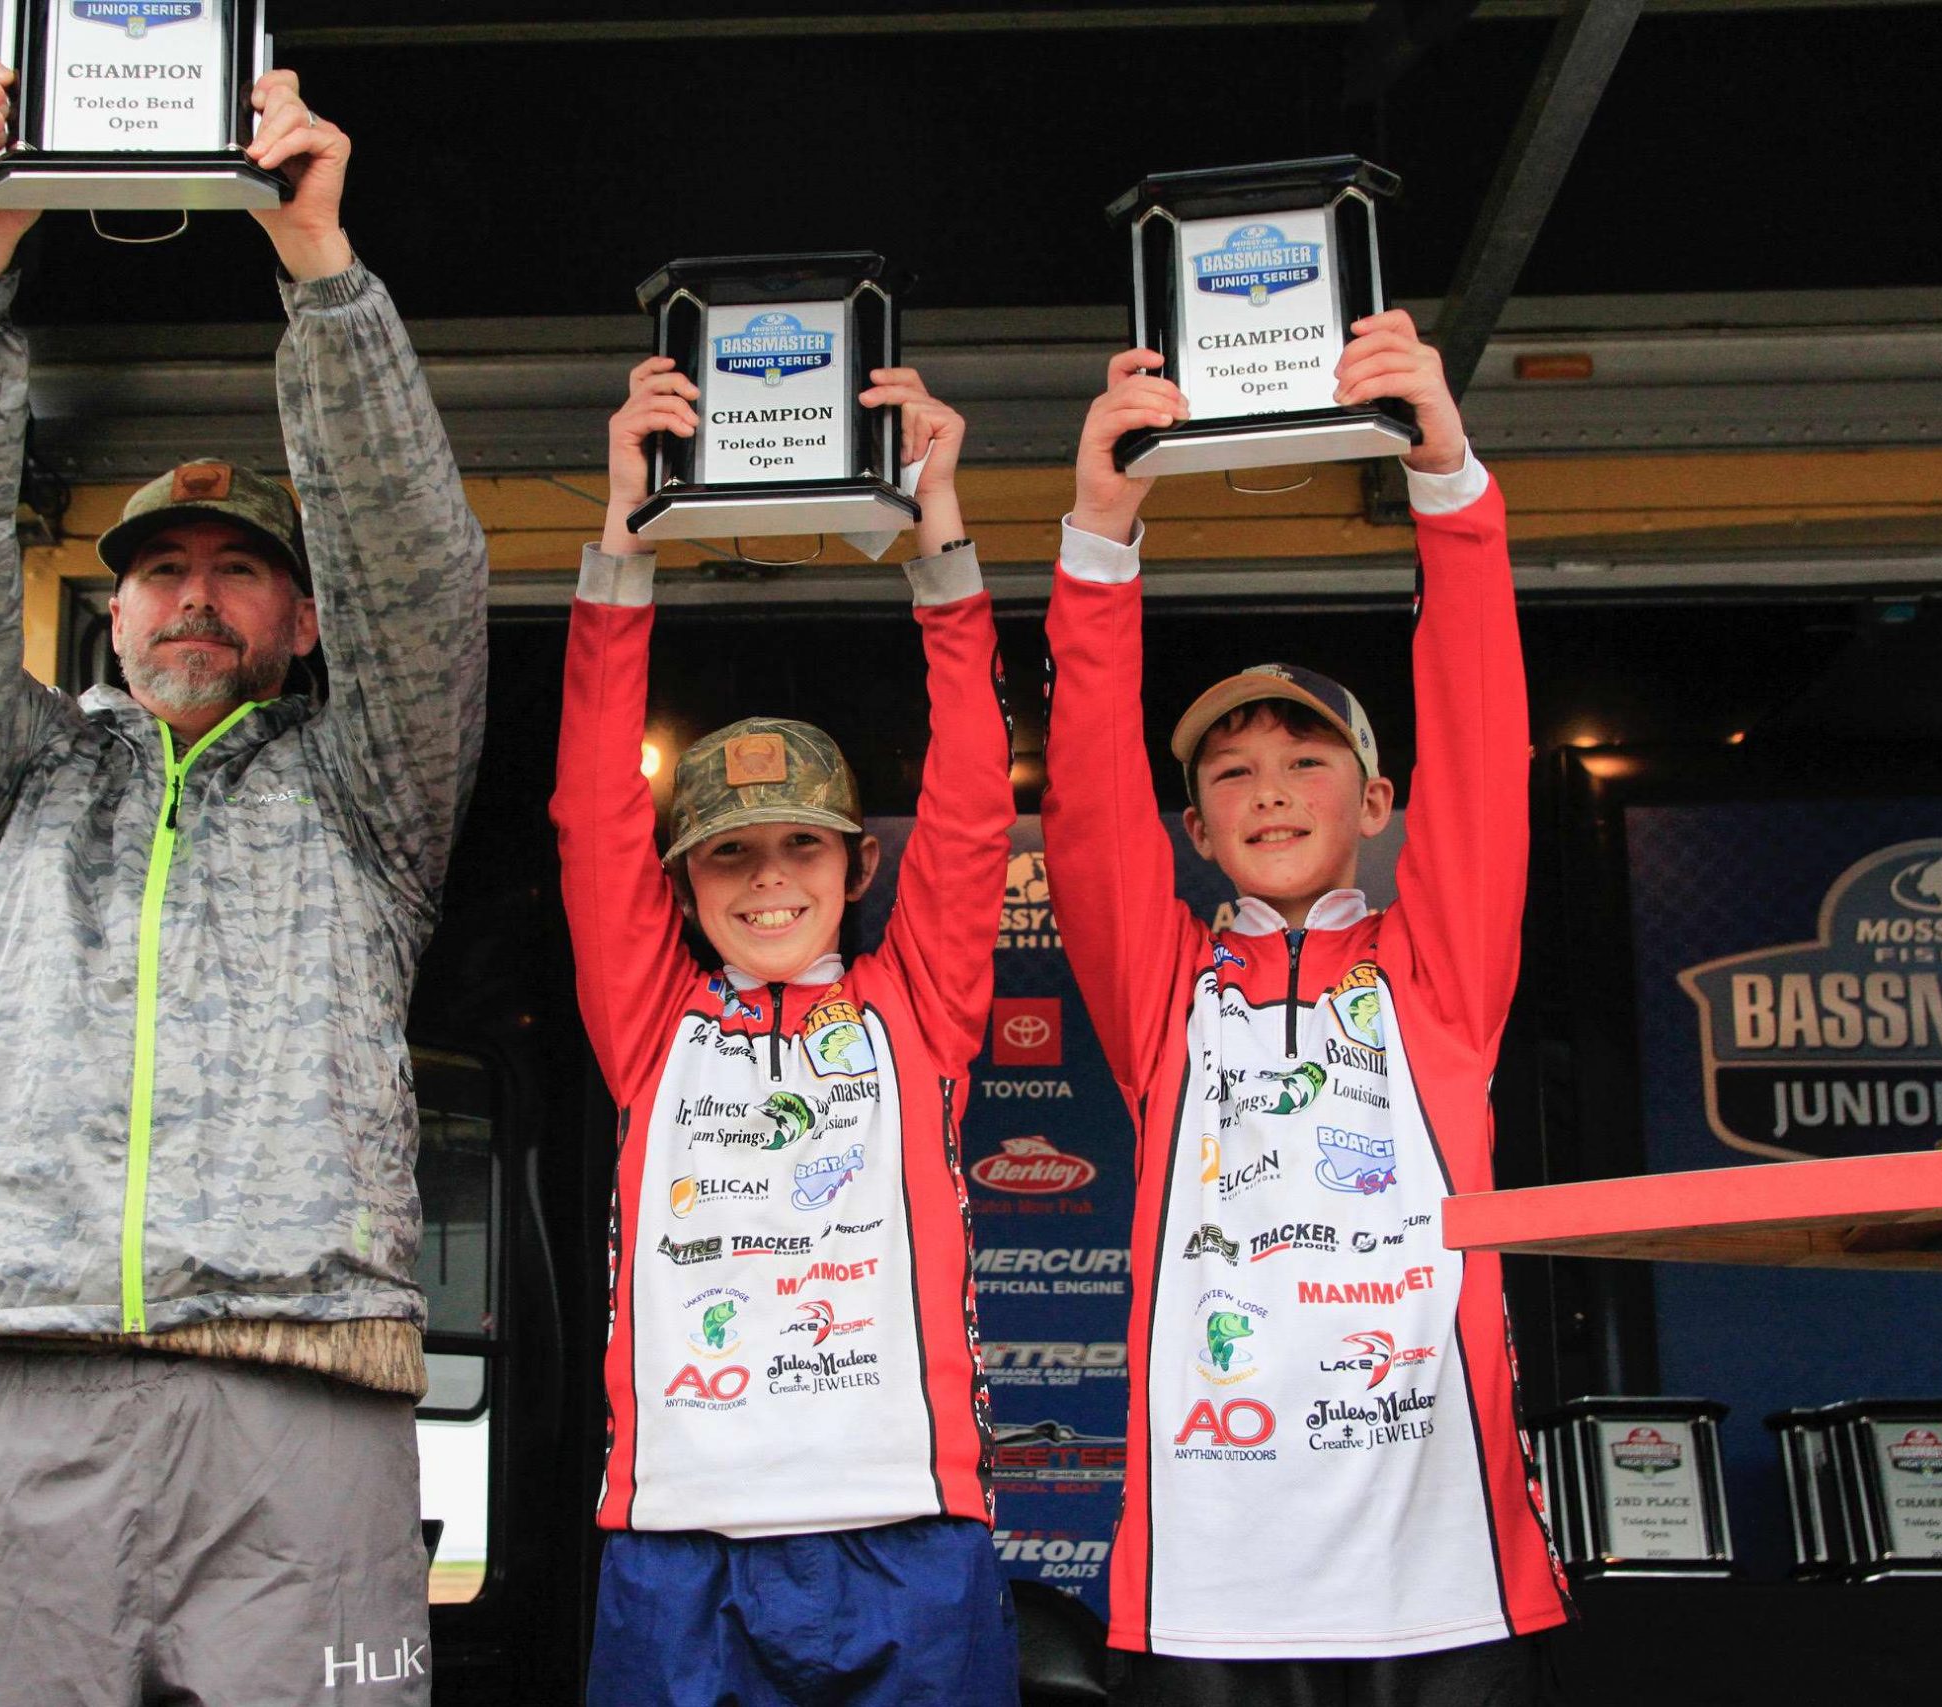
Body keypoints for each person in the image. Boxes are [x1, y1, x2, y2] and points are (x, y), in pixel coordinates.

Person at [0, 58, 485, 1707]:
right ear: (114, 616)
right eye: (162, 573)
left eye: (242, 571)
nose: (196, 598)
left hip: (302, 1408)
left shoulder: (368, 791)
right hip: (28, 1386)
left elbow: (418, 571)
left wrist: (320, 269)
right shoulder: (12, 782)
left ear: (305, 620)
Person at [1040, 317, 1570, 1704]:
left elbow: (1482, 743)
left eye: (1306, 758)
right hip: (1213, 1581)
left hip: (1441, 1570)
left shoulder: (1435, 971)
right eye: (1229, 772)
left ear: (1377, 802)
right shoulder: (1166, 992)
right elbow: (1086, 805)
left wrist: (1447, 482)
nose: (1268, 787)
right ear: (1197, 830)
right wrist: (1101, 536)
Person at [552, 355, 1019, 1704]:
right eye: (728, 853)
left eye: (802, 846)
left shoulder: (913, 1006)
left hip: (907, 1532)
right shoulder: (653, 1022)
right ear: (681, 882)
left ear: (859, 864)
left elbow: (973, 803)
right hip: (679, 1543)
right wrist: (621, 534)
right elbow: (592, 811)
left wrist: (938, 536)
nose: (768, 881)